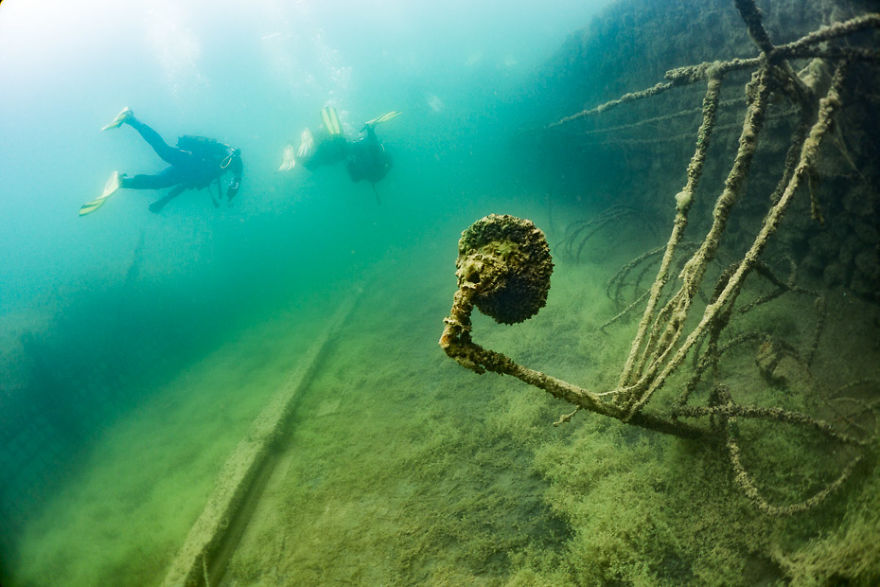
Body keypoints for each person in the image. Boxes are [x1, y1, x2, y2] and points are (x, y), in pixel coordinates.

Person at [79, 108, 243, 216]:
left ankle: (122, 181)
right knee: (164, 151)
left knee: (157, 182)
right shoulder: (230, 157)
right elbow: (235, 166)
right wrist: (236, 182)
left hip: (186, 173)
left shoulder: (219, 172)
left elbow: (185, 185)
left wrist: (164, 201)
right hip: (190, 160)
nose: (231, 184)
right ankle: (130, 118)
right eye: (232, 182)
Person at [279, 107, 398, 202]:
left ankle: (305, 140)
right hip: (339, 151)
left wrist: (370, 128)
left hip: (343, 149)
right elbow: (354, 175)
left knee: (331, 147)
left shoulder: (378, 164)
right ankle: (297, 148)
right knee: (315, 161)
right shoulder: (373, 172)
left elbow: (373, 146)